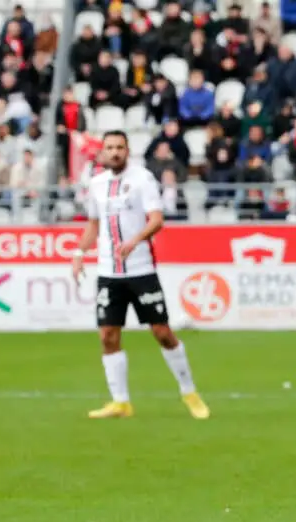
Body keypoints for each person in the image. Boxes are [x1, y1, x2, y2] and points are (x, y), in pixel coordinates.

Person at [72, 130, 210, 420]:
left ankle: (189, 392)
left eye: (119, 147)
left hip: (141, 269)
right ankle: (121, 402)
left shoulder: (142, 179)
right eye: (110, 148)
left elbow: (157, 220)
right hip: (108, 272)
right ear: (103, 152)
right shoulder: (96, 184)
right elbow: (93, 225)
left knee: (162, 332)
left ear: (128, 150)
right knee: (108, 335)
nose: (114, 152)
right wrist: (79, 254)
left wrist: (134, 240)